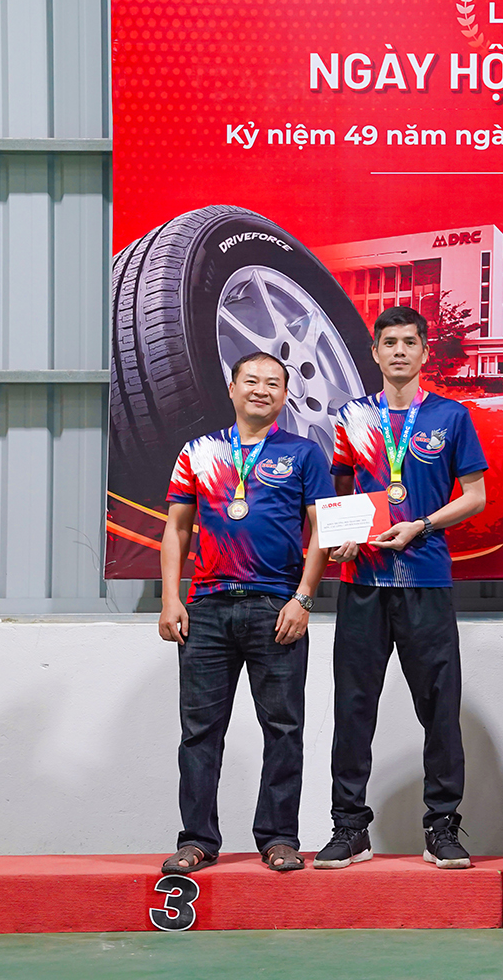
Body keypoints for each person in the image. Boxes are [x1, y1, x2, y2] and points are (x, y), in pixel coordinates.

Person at [314, 306, 488, 869]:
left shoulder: (451, 416)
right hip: (362, 580)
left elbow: (475, 496)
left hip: (426, 580)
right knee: (353, 707)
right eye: (388, 343)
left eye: (409, 342)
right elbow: (340, 495)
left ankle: (442, 826)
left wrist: (423, 525)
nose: (398, 352)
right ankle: (349, 827)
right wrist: (339, 539)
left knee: (439, 707)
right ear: (375, 352)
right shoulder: (351, 416)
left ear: (423, 351)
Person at [157, 351, 333, 874]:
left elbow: (322, 530)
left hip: (276, 608)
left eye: (273, 383)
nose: (262, 390)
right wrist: (170, 599)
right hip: (206, 610)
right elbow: (177, 529)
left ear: (285, 395)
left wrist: (303, 598)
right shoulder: (198, 451)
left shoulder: (304, 454)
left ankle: (278, 839)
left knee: (283, 729)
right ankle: (197, 840)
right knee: (199, 732)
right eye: (251, 381)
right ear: (232, 388)